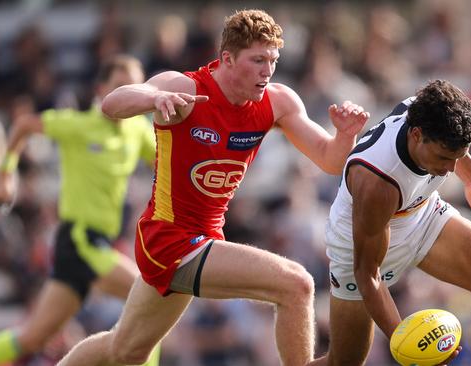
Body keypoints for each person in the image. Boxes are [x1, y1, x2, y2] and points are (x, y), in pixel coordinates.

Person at [57, 9, 369, 366]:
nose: (267, 70)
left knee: (125, 350)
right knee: (296, 285)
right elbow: (113, 103)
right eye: (257, 60)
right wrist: (152, 100)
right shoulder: (186, 88)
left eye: (273, 60)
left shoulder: (276, 102)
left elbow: (329, 159)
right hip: (169, 238)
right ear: (227, 59)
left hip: (201, 240)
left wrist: (345, 135)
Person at [311, 80, 471, 366]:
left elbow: (455, 149)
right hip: (358, 253)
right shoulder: (377, 181)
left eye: (457, 158)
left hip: (421, 216)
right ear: (416, 135)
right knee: (343, 363)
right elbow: (368, 275)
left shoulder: (432, 116)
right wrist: (407, 342)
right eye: (443, 158)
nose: (450, 169)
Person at [0, 55, 161, 366]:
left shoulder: (136, 131)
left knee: (33, 337)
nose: (129, 94)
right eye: (120, 86)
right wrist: (6, 176)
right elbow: (23, 125)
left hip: (95, 244)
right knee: (151, 299)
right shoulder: (80, 124)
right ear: (102, 89)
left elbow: (166, 164)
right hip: (79, 239)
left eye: (135, 88)